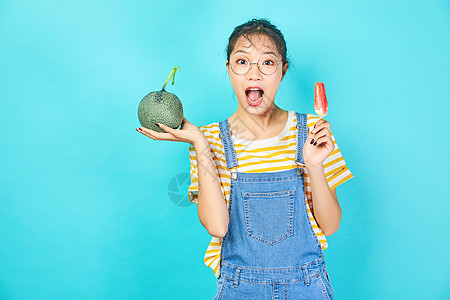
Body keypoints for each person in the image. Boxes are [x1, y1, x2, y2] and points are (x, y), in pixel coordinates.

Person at [136, 18, 353, 300]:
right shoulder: (209, 138)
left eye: (267, 63)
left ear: (282, 70)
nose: (254, 74)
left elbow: (331, 225)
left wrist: (313, 164)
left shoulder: (314, 132)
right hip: (240, 288)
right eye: (242, 62)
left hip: (307, 286)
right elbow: (218, 227)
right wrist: (201, 145)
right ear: (228, 69)